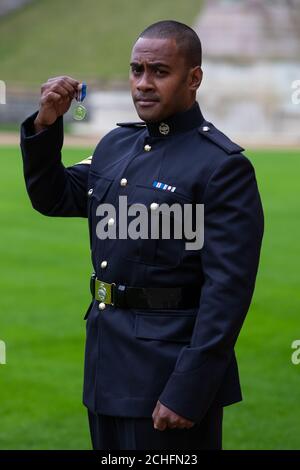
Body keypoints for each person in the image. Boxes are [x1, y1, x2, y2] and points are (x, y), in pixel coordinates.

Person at [20, 20, 264, 450]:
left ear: (194, 79)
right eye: (136, 70)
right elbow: (55, 198)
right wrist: (45, 125)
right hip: (106, 365)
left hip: (168, 379)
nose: (143, 84)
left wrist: (189, 388)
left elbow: (228, 291)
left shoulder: (222, 167)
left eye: (159, 72)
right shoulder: (117, 144)